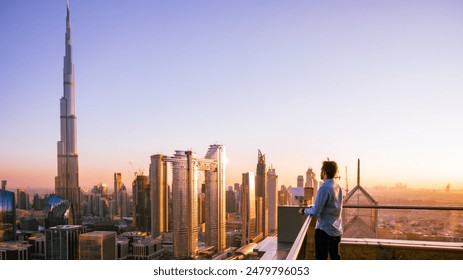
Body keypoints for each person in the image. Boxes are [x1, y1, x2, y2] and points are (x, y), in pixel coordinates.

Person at [299, 160, 343, 260]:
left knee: (321, 259)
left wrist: (303, 211)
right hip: (336, 230)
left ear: (324, 172)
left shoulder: (324, 188)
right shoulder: (338, 187)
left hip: (324, 231)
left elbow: (315, 211)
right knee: (335, 258)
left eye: (321, 170)